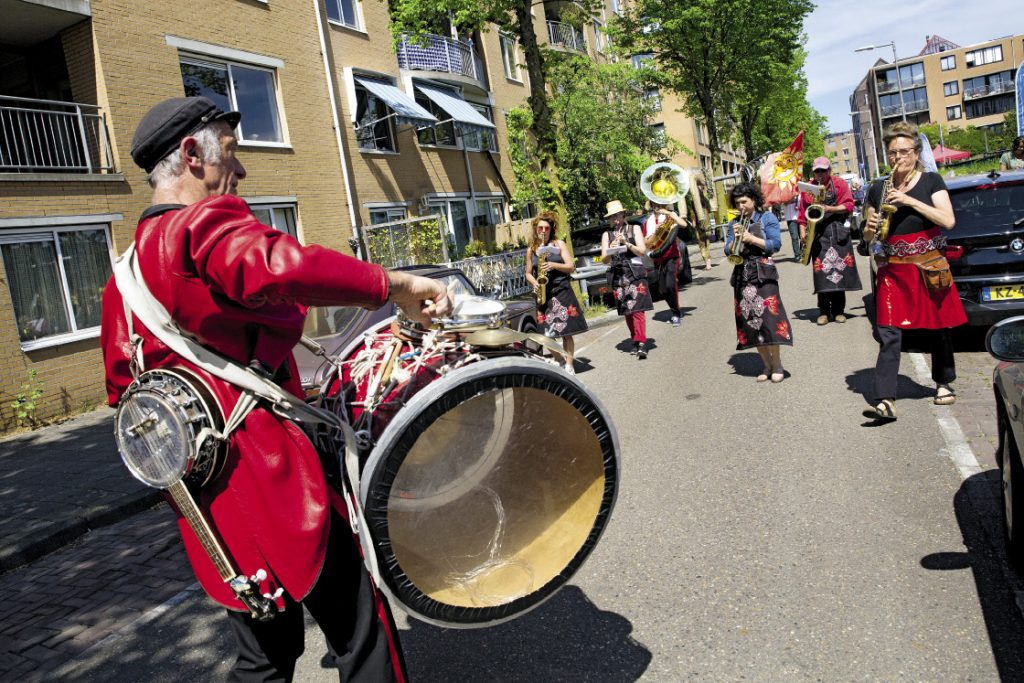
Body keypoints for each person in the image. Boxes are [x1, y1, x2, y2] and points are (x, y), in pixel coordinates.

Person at [100, 96, 453, 681]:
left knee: (266, 653)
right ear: (191, 155)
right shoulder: (197, 226)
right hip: (279, 479)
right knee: (361, 632)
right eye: (231, 156)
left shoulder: (123, 277)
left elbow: (125, 398)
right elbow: (278, 265)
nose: (239, 173)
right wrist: (390, 282)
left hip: (207, 498)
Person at [861, 120, 967, 422]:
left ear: (916, 153)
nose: (897, 159)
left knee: (938, 328)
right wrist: (868, 229)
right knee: (889, 334)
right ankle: (885, 399)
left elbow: (947, 221)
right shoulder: (878, 187)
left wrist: (908, 200)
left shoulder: (932, 181)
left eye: (903, 152)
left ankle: (943, 382)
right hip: (894, 269)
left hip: (928, 265)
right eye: (892, 153)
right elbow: (869, 237)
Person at [725, 182, 793, 383]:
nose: (741, 206)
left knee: (770, 320)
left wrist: (751, 239)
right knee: (752, 322)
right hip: (742, 275)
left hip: (763, 274)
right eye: (737, 203)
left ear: (753, 200)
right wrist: (733, 240)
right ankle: (766, 364)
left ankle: (777, 363)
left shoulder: (767, 218)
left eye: (744, 202)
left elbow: (775, 244)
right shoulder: (734, 223)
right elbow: (728, 251)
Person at [797, 156, 862, 325]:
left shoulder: (839, 183)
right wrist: (803, 233)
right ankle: (824, 312)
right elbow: (801, 215)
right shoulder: (808, 188)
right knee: (822, 275)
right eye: (817, 171)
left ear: (829, 170)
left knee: (839, 274)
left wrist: (828, 208)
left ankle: (839, 311)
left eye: (823, 170)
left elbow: (848, 205)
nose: (820, 174)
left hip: (837, 232)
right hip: (818, 235)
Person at [524, 210, 588, 374]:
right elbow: (528, 273)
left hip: (561, 291)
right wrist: (534, 283)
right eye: (540, 228)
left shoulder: (559, 244)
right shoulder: (531, 249)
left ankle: (569, 364)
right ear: (535, 229)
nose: (543, 231)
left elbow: (570, 266)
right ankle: (559, 359)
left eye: (546, 228)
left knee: (566, 332)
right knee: (545, 334)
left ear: (551, 229)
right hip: (543, 294)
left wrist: (553, 265)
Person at [601, 199, 653, 359]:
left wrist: (626, 243)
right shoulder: (607, 234)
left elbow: (642, 251)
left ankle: (642, 342)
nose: (616, 219)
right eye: (612, 217)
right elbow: (604, 259)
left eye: (618, 215)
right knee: (627, 310)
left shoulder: (634, 228)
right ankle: (635, 340)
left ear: (623, 214)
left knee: (638, 309)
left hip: (635, 272)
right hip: (618, 274)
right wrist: (612, 247)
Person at [642, 201, 689, 327]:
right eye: (654, 205)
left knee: (670, 285)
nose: (657, 207)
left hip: (671, 256)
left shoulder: (670, 217)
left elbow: (684, 224)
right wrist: (655, 233)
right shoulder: (648, 222)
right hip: (657, 259)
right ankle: (674, 310)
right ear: (651, 207)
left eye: (659, 204)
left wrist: (669, 213)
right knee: (662, 289)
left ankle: (676, 313)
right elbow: (646, 243)